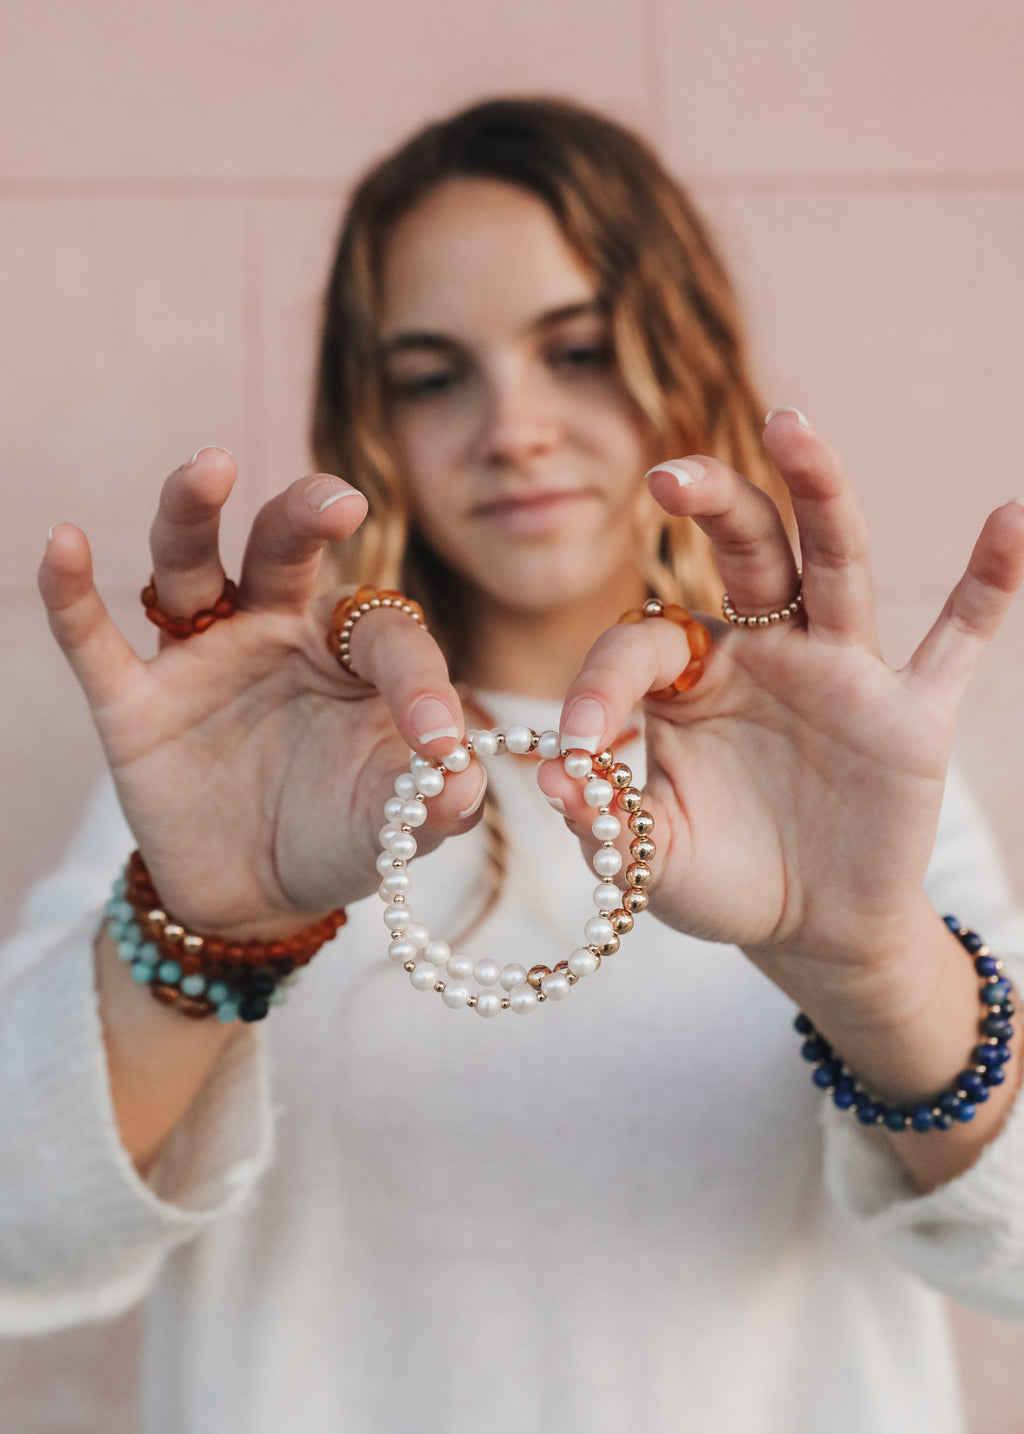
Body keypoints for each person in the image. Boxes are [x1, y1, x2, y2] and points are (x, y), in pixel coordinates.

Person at [6, 96, 1024, 1434]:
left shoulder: (840, 786)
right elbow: (19, 1231)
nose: (515, 427)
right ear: (372, 416)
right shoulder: (268, 769)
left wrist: (875, 966)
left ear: (687, 354)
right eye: (434, 373)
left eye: (581, 350)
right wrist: (209, 933)